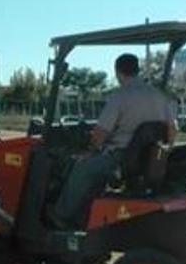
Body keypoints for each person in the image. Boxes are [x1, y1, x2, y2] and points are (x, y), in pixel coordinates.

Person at [52, 53, 176, 228]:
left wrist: (90, 151)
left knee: (82, 168)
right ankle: (86, 214)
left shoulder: (121, 96)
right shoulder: (158, 95)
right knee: (95, 167)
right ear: (137, 70)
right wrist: (165, 152)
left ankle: (60, 216)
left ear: (118, 72)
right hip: (150, 159)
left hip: (122, 158)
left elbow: (101, 132)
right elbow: (172, 128)